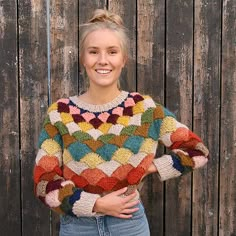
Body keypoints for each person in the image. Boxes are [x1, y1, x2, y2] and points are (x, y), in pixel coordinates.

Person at [33, 9, 209, 236]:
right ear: (83, 59)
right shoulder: (60, 114)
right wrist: (95, 204)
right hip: (77, 226)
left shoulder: (145, 110)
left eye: (112, 52)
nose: (103, 60)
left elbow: (198, 152)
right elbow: (44, 182)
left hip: (129, 225)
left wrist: (150, 166)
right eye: (93, 52)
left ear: (123, 59)